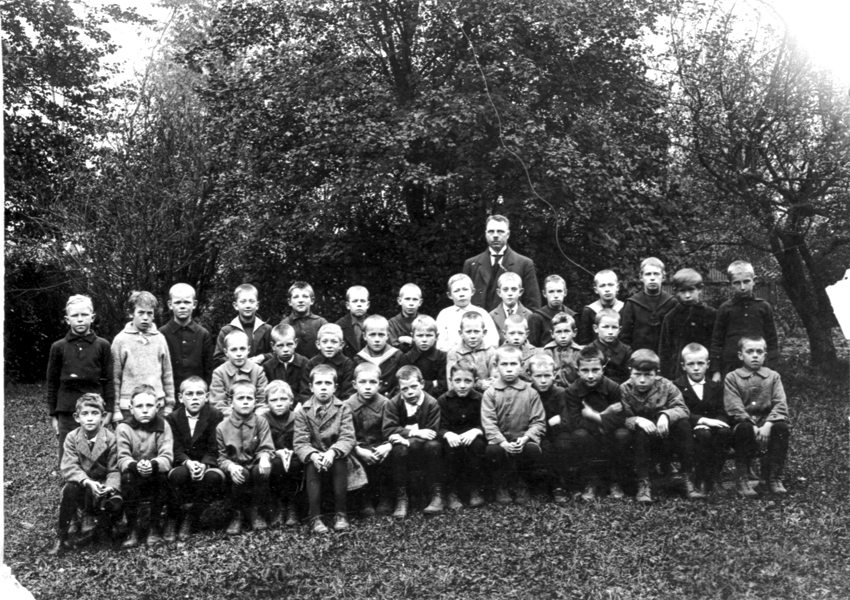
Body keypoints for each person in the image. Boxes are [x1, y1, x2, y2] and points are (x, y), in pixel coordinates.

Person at [619, 350, 703, 503]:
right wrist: (636, 419)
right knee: (640, 431)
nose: (642, 380)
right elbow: (620, 417)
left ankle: (687, 478)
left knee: (683, 425)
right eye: (637, 374)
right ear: (630, 371)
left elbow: (682, 409)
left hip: (665, 437)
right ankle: (644, 483)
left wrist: (666, 415)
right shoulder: (624, 389)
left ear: (656, 373)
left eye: (648, 375)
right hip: (640, 441)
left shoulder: (666, 385)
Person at [49, 394, 122, 555]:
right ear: (77, 417)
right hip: (83, 484)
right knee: (70, 488)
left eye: (95, 413)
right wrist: (87, 482)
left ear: (103, 416)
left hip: (103, 485)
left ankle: (105, 531)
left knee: (114, 501)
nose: (89, 418)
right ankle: (62, 536)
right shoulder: (72, 438)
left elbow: (114, 469)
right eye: (85, 414)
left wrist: (109, 487)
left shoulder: (110, 439)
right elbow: (70, 466)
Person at [46, 294, 115, 466]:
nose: (80, 319)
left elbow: (108, 380)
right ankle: (71, 480)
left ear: (92, 317)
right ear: (67, 319)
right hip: (67, 409)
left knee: (96, 455)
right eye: (75, 315)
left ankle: (95, 479)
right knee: (69, 454)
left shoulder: (102, 345)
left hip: (95, 409)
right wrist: (54, 415)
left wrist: (109, 411)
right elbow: (52, 383)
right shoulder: (58, 347)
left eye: (84, 314)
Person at [724, 335, 790, 498]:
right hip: (743, 428)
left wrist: (768, 425)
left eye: (759, 352)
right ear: (741, 355)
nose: (755, 355)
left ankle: (772, 477)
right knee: (744, 428)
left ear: (765, 355)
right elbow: (734, 407)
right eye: (750, 351)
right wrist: (752, 425)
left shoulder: (773, 377)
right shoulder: (732, 377)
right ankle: (743, 479)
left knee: (781, 427)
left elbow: (780, 403)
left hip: (767, 427)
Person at [293, 364, 356, 534]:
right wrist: (313, 455)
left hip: (337, 455)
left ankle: (341, 513)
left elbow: (348, 437)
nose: (323, 387)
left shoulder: (343, 408)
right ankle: (315, 516)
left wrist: (332, 452)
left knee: (340, 462)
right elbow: (300, 442)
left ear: (335, 387)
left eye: (328, 383)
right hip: (315, 457)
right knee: (311, 466)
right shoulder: (303, 411)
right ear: (311, 387)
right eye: (318, 383)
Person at [481, 345, 547, 505]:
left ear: (521, 365)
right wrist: (502, 442)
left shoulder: (531, 392)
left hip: (522, 440)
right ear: (496, 366)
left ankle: (523, 484)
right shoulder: (490, 393)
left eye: (513, 364)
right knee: (492, 451)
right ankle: (501, 485)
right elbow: (488, 422)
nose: (509, 369)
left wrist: (525, 439)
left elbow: (538, 421)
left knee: (532, 450)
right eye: (504, 364)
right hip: (500, 441)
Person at [563, 347, 629, 501]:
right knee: (579, 435)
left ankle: (615, 481)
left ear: (603, 369)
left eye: (595, 370)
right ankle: (590, 481)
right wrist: (605, 417)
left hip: (610, 433)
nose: (590, 375)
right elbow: (575, 421)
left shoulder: (613, 388)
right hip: (589, 433)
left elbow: (621, 419)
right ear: (577, 370)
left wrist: (595, 416)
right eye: (585, 370)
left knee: (623, 434)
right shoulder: (572, 391)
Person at [164, 377, 225, 542]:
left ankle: (191, 517)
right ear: (180, 397)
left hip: (208, 463)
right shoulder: (172, 418)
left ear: (207, 396)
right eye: (189, 394)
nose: (195, 398)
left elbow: (215, 446)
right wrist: (188, 462)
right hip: (184, 462)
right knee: (178, 475)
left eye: (199, 393)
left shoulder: (215, 415)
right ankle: (172, 518)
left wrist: (204, 464)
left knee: (213, 477)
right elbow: (174, 447)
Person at [116, 384, 174, 548]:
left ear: (157, 407)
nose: (145, 410)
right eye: (139, 406)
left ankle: (154, 528)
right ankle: (132, 529)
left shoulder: (163, 426)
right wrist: (135, 466)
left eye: (149, 405)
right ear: (131, 408)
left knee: (162, 478)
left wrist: (153, 464)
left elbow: (167, 456)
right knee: (127, 478)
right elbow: (122, 457)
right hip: (133, 474)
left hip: (155, 473)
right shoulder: (123, 428)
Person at [383, 365, 444, 518]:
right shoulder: (393, 404)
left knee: (433, 446)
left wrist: (406, 440)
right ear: (399, 389)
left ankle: (436, 495)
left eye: (414, 386)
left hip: (424, 447)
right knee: (399, 450)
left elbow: (431, 433)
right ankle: (401, 498)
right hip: (404, 448)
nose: (410, 392)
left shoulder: (431, 403)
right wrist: (415, 432)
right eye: (404, 389)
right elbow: (388, 429)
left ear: (422, 384)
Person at [216, 380, 274, 535]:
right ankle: (238, 513)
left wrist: (264, 457)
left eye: (249, 398)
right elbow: (221, 457)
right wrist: (230, 466)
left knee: (261, 470)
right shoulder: (222, 427)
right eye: (240, 398)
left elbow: (266, 446)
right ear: (231, 402)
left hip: (254, 464)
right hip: (235, 469)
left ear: (255, 402)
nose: (246, 402)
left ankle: (255, 510)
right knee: (241, 474)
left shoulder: (261, 422)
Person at [673, 344, 730, 496]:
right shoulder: (677, 386)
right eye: (691, 364)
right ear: (683, 366)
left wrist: (716, 422)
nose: (696, 368)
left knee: (724, 432)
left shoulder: (715, 387)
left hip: (712, 426)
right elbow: (678, 411)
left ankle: (714, 476)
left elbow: (722, 410)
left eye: (700, 363)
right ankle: (700, 478)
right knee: (703, 435)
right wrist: (700, 421)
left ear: (708, 364)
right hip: (688, 428)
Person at [112, 291, 175, 423]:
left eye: (149, 313)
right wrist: (116, 409)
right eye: (140, 312)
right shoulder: (120, 340)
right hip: (128, 408)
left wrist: (169, 404)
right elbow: (115, 377)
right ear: (131, 313)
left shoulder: (160, 339)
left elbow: (167, 374)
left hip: (157, 406)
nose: (145, 317)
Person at [711, 261, 780, 380]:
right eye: (737, 283)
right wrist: (716, 371)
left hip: (759, 367)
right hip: (731, 366)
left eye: (746, 281)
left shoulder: (763, 307)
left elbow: (772, 340)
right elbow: (717, 341)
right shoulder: (725, 308)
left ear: (754, 280)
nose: (742, 287)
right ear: (730, 284)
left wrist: (771, 368)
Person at [462, 214, 541, 311]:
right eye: (491, 231)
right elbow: (463, 302)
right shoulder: (471, 264)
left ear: (508, 234)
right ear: (486, 234)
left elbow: (533, 306)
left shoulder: (524, 264)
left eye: (500, 231)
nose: (495, 235)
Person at [345, 362, 394, 517]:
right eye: (362, 382)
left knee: (389, 457)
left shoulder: (386, 404)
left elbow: (391, 428)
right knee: (352, 458)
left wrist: (387, 445)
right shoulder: (347, 406)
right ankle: (364, 500)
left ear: (380, 384)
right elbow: (346, 433)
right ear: (354, 384)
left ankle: (385, 498)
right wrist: (357, 448)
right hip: (358, 447)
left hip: (380, 445)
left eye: (373, 382)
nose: (367, 387)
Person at [437, 360, 486, 510]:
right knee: (450, 448)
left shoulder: (480, 399)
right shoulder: (444, 400)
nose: (462, 385)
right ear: (450, 380)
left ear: (475, 381)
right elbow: (439, 426)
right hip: (452, 438)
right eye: (457, 381)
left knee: (478, 446)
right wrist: (447, 434)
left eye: (467, 381)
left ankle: (474, 490)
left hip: (473, 437)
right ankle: (452, 493)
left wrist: (477, 430)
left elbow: (487, 421)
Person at [527, 354, 571, 504]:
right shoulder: (528, 394)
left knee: (562, 444)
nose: (543, 380)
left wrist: (556, 423)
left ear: (554, 374)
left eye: (547, 375)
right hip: (536, 433)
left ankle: (562, 485)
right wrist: (549, 423)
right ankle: (551, 485)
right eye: (538, 376)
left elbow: (567, 420)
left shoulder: (560, 393)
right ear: (530, 376)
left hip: (558, 433)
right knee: (544, 446)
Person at [659, 269, 717, 379]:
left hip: (706, 373)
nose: (687, 295)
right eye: (682, 291)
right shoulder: (671, 317)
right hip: (679, 375)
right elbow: (664, 350)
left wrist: (715, 372)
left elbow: (716, 346)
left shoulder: (712, 314)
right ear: (676, 291)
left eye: (691, 290)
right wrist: (666, 377)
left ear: (700, 289)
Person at [262, 380, 303, 528]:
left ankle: (292, 506)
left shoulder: (298, 417)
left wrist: (292, 451)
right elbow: (261, 443)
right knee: (277, 465)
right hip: (273, 457)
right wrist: (276, 452)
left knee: (295, 465)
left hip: (294, 455)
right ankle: (279, 507)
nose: (279, 403)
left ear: (291, 401)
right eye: (273, 400)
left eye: (283, 399)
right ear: (266, 402)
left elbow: (303, 439)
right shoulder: (263, 419)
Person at [160, 283, 215, 391]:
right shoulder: (161, 334)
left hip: (197, 394)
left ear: (194, 304)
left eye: (187, 302)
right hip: (170, 394)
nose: (182, 306)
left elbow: (208, 370)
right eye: (177, 302)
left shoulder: (203, 334)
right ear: (170, 304)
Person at [620, 257, 678, 353]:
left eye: (656, 274)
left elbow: (675, 335)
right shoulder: (632, 303)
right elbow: (624, 336)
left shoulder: (672, 303)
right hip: (639, 356)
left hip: (664, 356)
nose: (652, 278)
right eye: (648, 274)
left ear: (663, 277)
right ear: (641, 277)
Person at [436, 273, 500, 352]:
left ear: (472, 291)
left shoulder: (482, 313)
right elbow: (441, 344)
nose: (461, 294)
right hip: (454, 356)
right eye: (456, 291)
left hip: (480, 356)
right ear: (449, 295)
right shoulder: (444, 315)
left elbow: (493, 341)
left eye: (465, 289)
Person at [210, 330, 269, 416]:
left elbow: (263, 402)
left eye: (242, 349)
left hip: (255, 419)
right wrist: (236, 419)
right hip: (229, 419)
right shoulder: (219, 373)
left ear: (248, 350)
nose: (239, 354)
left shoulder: (258, 371)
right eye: (234, 350)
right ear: (226, 352)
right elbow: (218, 404)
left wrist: (253, 419)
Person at [213, 283, 272, 367]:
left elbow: (275, 353)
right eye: (243, 302)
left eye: (251, 301)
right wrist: (239, 362)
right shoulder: (226, 331)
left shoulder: (267, 329)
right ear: (236, 306)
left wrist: (263, 357)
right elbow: (218, 358)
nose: (248, 305)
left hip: (261, 372)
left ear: (257, 305)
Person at [353, 315, 408, 397]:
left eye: (381, 334)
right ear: (364, 336)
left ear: (388, 336)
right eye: (372, 335)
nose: (377, 339)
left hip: (391, 401)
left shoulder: (397, 356)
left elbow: (402, 384)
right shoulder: (359, 359)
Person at [299, 324, 355, 404]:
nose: (329, 346)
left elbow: (348, 392)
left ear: (341, 345)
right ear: (318, 344)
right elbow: (305, 393)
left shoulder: (346, 364)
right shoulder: (311, 364)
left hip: (340, 406)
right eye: (325, 342)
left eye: (334, 342)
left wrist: (340, 408)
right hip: (315, 406)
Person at [446, 312, 497, 392]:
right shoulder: (454, 353)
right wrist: (479, 384)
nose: (473, 336)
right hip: (463, 395)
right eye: (468, 332)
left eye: (476, 331)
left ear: (484, 333)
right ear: (461, 333)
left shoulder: (491, 352)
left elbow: (496, 379)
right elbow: (452, 384)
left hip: (487, 395)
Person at [279, 281, 328, 360]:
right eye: (296, 297)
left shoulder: (321, 323)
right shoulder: (284, 325)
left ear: (312, 300)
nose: (300, 300)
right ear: (289, 302)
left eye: (305, 296)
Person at [263, 323, 308, 404]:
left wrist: (301, 405)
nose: (285, 349)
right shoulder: (267, 366)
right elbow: (266, 394)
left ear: (296, 343)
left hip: (299, 406)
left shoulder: (304, 363)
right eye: (280, 345)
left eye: (289, 344)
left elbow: (305, 392)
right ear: (273, 346)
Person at [404, 315, 448, 398]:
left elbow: (443, 387)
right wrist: (432, 384)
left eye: (429, 335)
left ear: (436, 337)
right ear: (412, 337)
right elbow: (406, 385)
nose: (424, 340)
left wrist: (418, 385)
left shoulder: (442, 357)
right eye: (420, 335)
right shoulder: (407, 358)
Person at [577, 270, 624, 345]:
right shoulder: (589, 310)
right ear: (596, 290)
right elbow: (584, 340)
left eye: (610, 285)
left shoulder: (625, 308)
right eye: (602, 286)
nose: (607, 289)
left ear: (617, 287)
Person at [528, 275, 575, 347]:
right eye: (551, 291)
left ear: (565, 292)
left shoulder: (573, 316)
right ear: (544, 293)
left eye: (559, 291)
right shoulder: (536, 317)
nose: (556, 295)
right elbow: (532, 347)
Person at [589, 308, 632, 384]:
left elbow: (630, 376)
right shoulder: (589, 349)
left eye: (614, 327)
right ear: (596, 328)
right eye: (605, 327)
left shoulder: (626, 351)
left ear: (619, 330)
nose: (610, 332)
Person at [489, 272, 533, 345]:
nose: (510, 293)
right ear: (499, 292)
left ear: (520, 292)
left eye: (514, 289)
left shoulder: (529, 315)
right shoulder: (492, 316)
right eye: (505, 289)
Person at [543, 313, 583, 388]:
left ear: (574, 332)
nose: (563, 336)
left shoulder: (579, 352)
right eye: (558, 332)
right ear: (552, 334)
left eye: (567, 331)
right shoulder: (547, 351)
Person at [498, 314, 543, 380]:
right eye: (512, 333)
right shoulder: (497, 354)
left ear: (526, 334)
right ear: (504, 334)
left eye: (520, 333)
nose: (516, 337)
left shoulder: (536, 353)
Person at [388, 283, 425, 354]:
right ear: (399, 301)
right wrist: (417, 343)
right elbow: (392, 348)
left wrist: (410, 341)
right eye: (407, 299)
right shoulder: (392, 323)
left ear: (420, 302)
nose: (411, 303)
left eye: (415, 299)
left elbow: (430, 346)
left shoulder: (426, 322)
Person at [336, 285, 370, 359]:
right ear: (348, 305)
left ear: (367, 305)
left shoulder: (376, 324)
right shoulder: (338, 326)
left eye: (362, 301)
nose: (359, 304)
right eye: (355, 301)